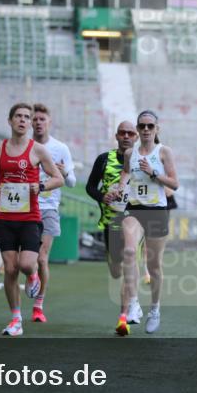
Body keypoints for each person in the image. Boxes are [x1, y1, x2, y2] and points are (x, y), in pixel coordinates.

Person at [0, 103, 64, 337]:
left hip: (29, 217)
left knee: (27, 264)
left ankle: (33, 276)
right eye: (18, 116)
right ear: (10, 121)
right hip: (5, 217)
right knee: (10, 269)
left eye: (27, 117)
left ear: (29, 123)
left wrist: (40, 186)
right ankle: (16, 319)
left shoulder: (38, 150)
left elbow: (58, 178)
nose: (23, 120)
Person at [109, 110, 179, 336]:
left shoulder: (164, 152)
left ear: (157, 129)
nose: (146, 129)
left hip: (157, 212)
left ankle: (155, 309)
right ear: (138, 130)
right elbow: (126, 173)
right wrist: (121, 186)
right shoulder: (130, 152)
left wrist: (154, 173)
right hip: (135, 210)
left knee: (154, 266)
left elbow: (174, 184)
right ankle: (134, 304)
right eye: (142, 126)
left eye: (150, 126)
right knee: (129, 251)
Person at [26, 103, 76, 324]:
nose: (38, 123)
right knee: (24, 261)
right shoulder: (24, 146)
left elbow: (72, 182)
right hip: (24, 208)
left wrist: (64, 172)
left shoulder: (60, 148)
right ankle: (31, 275)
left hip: (48, 208)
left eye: (42, 119)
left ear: (49, 122)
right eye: (35, 119)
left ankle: (38, 305)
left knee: (42, 257)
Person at [85, 120, 137, 305]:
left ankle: (129, 310)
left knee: (130, 258)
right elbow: (90, 187)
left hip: (134, 220)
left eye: (130, 133)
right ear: (116, 136)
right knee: (116, 270)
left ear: (136, 137)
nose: (126, 136)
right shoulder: (104, 159)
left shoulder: (143, 162)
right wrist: (102, 197)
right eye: (122, 132)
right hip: (111, 221)